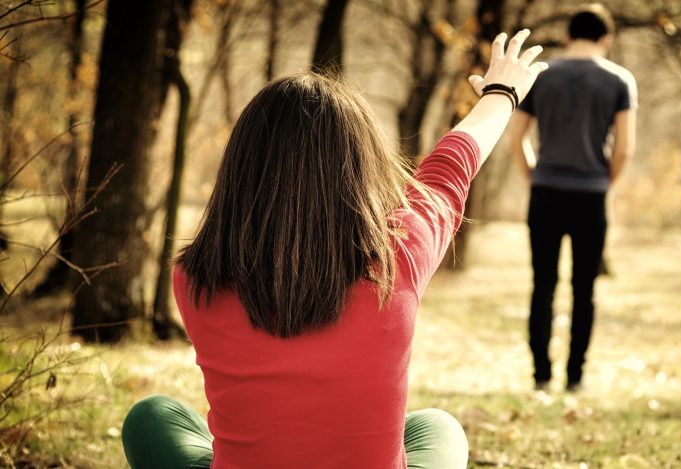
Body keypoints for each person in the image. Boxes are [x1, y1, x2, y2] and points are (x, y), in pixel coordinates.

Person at [120, 29, 547, 469]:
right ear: (360, 168)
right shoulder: (399, 255)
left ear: (240, 170)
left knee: (150, 417)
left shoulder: (193, 279)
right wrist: (501, 92)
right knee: (437, 426)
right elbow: (452, 168)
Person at [508, 4, 637, 392]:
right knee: (585, 289)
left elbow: (517, 138)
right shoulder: (619, 80)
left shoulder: (542, 75)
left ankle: (541, 377)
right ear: (606, 39)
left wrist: (533, 175)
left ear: (568, 36)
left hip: (545, 192)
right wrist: (605, 183)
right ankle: (575, 377)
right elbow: (625, 148)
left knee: (542, 285)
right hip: (591, 196)